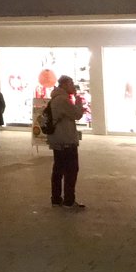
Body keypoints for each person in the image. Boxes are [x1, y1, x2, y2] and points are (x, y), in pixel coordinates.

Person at [48, 75, 87, 209]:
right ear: (64, 84)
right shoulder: (63, 100)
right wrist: (78, 101)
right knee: (71, 170)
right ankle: (69, 201)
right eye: (71, 83)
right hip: (66, 140)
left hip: (57, 139)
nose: (73, 86)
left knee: (58, 170)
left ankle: (56, 199)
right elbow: (77, 114)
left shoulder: (55, 99)